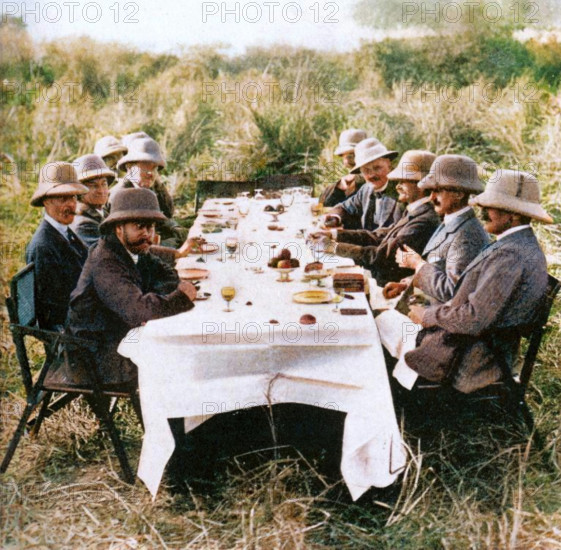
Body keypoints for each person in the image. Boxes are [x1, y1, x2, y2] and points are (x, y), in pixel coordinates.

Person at [380, 169, 552, 393]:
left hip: (471, 356)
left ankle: (394, 399)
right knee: (386, 321)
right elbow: (472, 293)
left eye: (491, 206)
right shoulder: (515, 244)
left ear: (514, 215)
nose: (482, 211)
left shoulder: (510, 254)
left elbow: (474, 318)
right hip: (470, 342)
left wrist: (428, 316)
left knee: (382, 325)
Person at [67, 188, 197, 388]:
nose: (148, 235)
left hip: (117, 336)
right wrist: (179, 299)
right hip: (94, 356)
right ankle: (170, 418)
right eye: (139, 226)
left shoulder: (133, 247)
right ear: (119, 228)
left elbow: (167, 274)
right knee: (178, 360)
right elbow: (139, 311)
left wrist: (157, 297)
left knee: (182, 349)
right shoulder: (106, 261)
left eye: (151, 227)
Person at [311, 150, 440, 286]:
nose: (397, 186)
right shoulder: (416, 211)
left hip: (391, 285)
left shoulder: (424, 218)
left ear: (423, 185)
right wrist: (334, 235)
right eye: (366, 170)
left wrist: (332, 246)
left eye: (404, 181)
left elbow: (382, 256)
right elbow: (379, 236)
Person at [384, 154, 489, 304]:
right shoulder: (449, 222)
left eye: (438, 191)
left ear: (459, 193)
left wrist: (417, 264)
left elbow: (453, 291)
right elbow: (438, 269)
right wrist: (407, 283)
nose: (431, 197)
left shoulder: (467, 235)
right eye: (430, 191)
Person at [26, 162, 89, 330]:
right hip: (70, 331)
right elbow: (54, 308)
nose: (71, 205)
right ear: (46, 202)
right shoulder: (43, 246)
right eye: (63, 198)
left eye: (73, 197)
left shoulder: (66, 233)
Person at [109, 136, 183, 247]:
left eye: (154, 168)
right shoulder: (120, 195)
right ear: (130, 168)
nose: (150, 173)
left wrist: (176, 230)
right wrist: (167, 243)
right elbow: (125, 244)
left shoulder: (147, 188)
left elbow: (166, 215)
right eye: (145, 168)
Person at [327, 138, 402, 231]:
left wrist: (337, 235)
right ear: (361, 172)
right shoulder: (366, 189)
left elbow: (388, 236)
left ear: (388, 163)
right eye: (366, 170)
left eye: (377, 168)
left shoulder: (402, 191)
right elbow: (343, 207)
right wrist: (335, 218)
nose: (372, 175)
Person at [70, 154, 115, 247]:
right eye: (93, 186)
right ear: (79, 191)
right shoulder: (82, 224)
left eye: (104, 184)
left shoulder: (103, 213)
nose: (101, 191)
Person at [318, 129, 367, 209]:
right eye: (345, 155)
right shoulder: (345, 182)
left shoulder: (368, 180)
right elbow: (323, 204)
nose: (348, 160)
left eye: (352, 155)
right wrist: (339, 187)